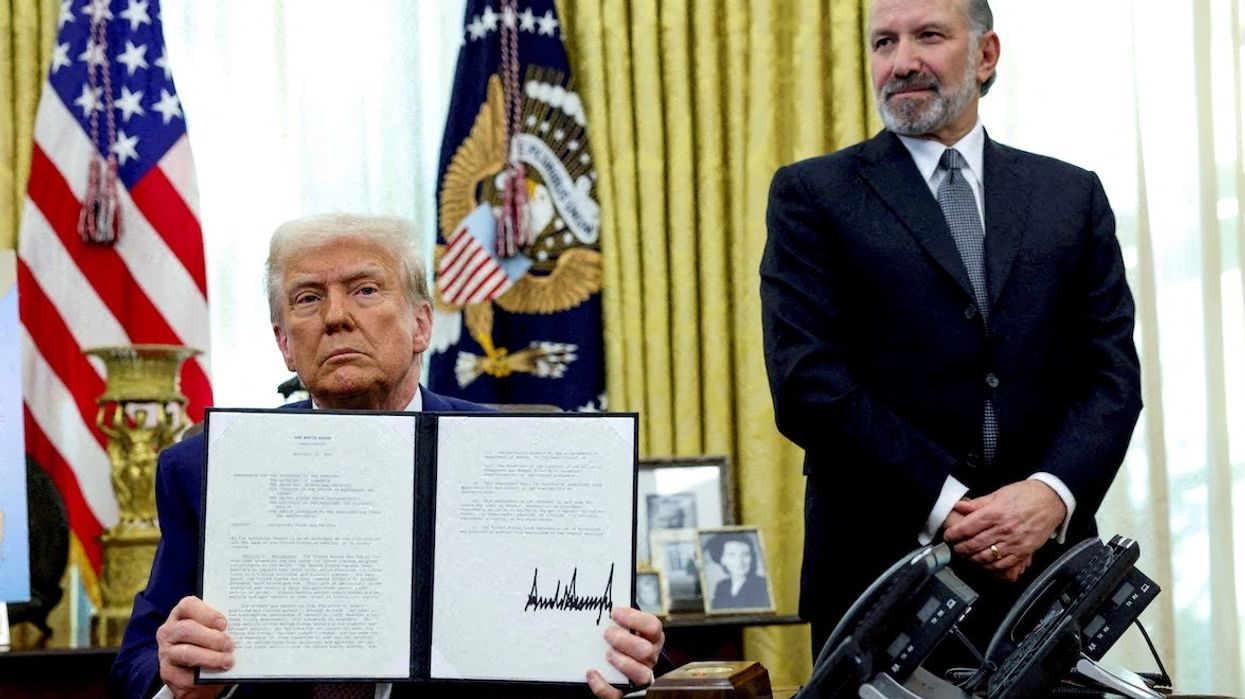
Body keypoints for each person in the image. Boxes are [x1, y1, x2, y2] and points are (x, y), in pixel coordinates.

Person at [110, 214, 665, 699]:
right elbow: (134, 667)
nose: (335, 317)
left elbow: (628, 651)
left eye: (365, 290)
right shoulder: (204, 467)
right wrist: (175, 678)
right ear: (284, 343)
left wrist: (631, 662)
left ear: (421, 325)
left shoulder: (533, 457)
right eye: (308, 298)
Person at [759, 0, 1142, 663]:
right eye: (882, 42)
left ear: (985, 54)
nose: (900, 60)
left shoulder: (1070, 195)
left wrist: (1047, 495)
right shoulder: (811, 194)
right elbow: (806, 383)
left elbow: (1110, 376)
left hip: (1047, 576)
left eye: (927, 36)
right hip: (878, 580)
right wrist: (954, 508)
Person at [705, 533, 770, 611]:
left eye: (745, 554)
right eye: (731, 555)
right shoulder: (722, 586)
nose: (739, 561)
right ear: (722, 559)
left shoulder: (763, 585)